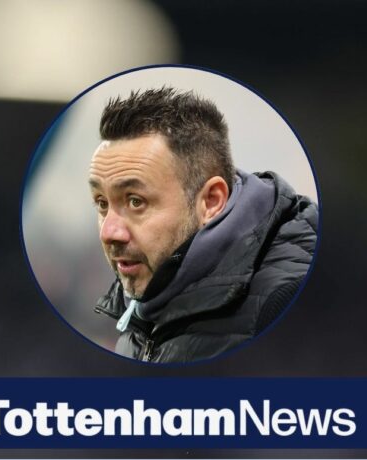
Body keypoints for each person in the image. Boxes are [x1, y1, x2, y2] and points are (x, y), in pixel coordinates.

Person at [89, 87, 318, 363]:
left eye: (136, 201)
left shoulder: (285, 303)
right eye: (102, 203)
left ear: (211, 201)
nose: (108, 232)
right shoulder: (142, 306)